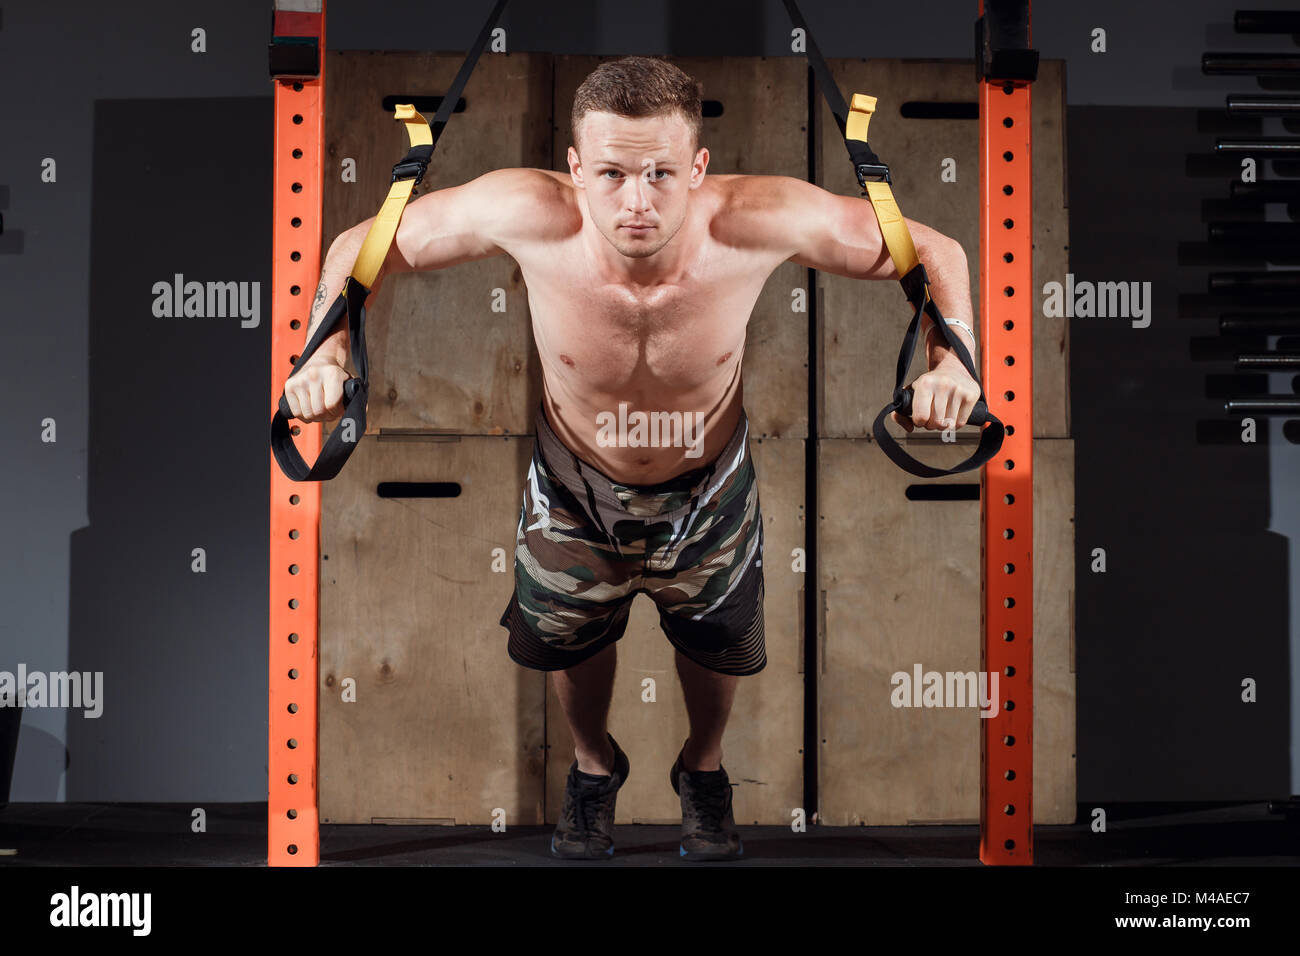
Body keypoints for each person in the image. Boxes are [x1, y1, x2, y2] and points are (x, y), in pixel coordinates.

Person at [282, 55, 981, 862]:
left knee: (718, 638)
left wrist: (953, 359)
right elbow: (361, 244)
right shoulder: (528, 210)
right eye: (612, 173)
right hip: (574, 483)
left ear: (699, 168)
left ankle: (704, 772)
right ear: (575, 169)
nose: (637, 201)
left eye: (661, 173)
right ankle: (592, 770)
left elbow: (932, 250)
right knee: (569, 638)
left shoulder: (755, 217)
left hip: (708, 483)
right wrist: (325, 350)